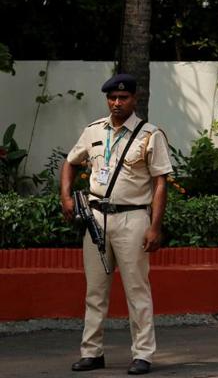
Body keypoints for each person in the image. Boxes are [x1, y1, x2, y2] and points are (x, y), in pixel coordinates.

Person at [60, 74, 173, 375]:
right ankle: (92, 353)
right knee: (95, 292)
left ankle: (143, 354)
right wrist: (66, 197)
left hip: (133, 217)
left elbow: (160, 182)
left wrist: (155, 226)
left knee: (137, 290)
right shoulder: (94, 130)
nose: (117, 103)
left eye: (123, 98)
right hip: (96, 218)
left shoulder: (150, 134)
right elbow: (70, 162)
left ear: (134, 99)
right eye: (112, 98)